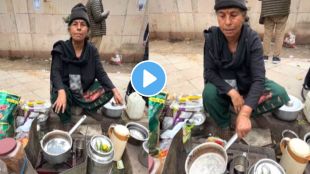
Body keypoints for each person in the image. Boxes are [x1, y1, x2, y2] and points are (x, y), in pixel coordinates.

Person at [203, 0, 290, 139]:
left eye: (233, 15)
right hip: (225, 86)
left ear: (243, 16)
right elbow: (209, 72)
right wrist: (232, 93)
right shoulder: (212, 38)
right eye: (222, 15)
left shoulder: (252, 39)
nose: (227, 22)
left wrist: (245, 113)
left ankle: (242, 111)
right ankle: (224, 124)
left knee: (280, 93)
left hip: (247, 85)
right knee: (209, 93)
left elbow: (258, 79)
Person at [50, 3, 122, 123]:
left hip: (85, 92)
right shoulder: (61, 48)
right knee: (56, 97)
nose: (79, 28)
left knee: (108, 89)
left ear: (88, 30)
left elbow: (100, 73)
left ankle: (85, 107)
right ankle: (67, 122)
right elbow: (55, 72)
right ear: (69, 29)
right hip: (67, 90)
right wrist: (61, 92)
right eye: (75, 24)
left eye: (83, 25)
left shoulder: (92, 50)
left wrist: (115, 90)